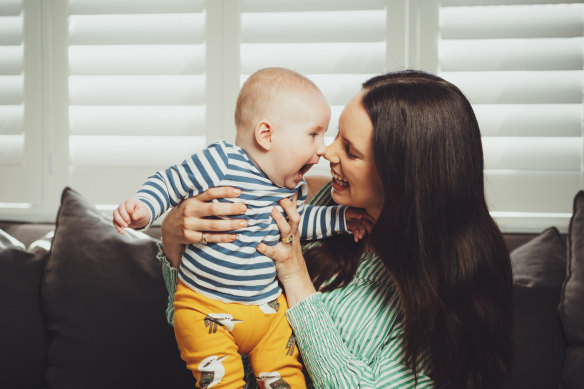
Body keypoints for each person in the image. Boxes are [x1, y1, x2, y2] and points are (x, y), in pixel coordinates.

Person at [159, 70, 514, 389]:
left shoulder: (443, 296)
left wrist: (296, 277)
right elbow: (203, 331)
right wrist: (174, 241)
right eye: (335, 135)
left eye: (350, 150)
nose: (326, 152)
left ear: (403, 179)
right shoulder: (333, 202)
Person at [113, 67, 371, 389]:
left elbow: (297, 226)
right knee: (223, 380)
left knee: (284, 373)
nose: (322, 149)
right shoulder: (221, 162)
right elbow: (169, 181)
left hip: (267, 310)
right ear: (266, 135)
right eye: (313, 134)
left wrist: (341, 220)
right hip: (206, 308)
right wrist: (145, 208)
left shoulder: (292, 187)